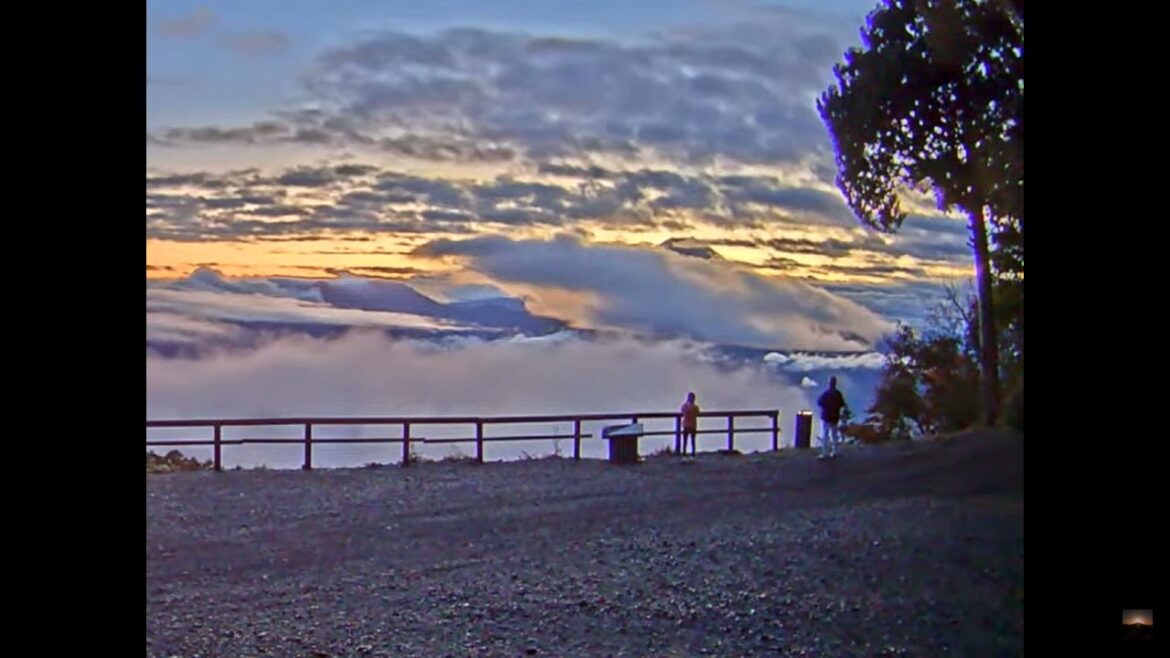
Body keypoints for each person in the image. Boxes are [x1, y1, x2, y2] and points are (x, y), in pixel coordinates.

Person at [816, 377, 847, 459]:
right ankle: (835, 451)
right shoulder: (838, 394)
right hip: (835, 417)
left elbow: (819, 403)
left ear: (829, 383)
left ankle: (825, 453)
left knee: (825, 435)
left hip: (826, 416)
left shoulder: (825, 393)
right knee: (834, 434)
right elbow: (842, 404)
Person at [680, 392, 700, 456]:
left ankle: (685, 454)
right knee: (692, 441)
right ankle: (692, 454)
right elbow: (697, 413)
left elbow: (682, 411)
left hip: (687, 425)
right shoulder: (695, 407)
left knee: (686, 441)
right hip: (692, 425)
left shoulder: (685, 406)